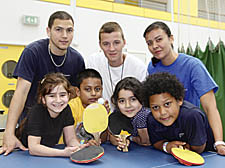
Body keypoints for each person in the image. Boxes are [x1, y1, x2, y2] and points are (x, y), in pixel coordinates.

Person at [1, 11, 85, 155]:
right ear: (48, 31)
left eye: (69, 30)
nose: (64, 35)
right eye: (58, 29)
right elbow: (20, 93)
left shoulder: (77, 59)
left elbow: (76, 95)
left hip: (57, 122)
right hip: (31, 119)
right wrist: (9, 133)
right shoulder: (32, 52)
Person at [143, 21, 225, 155]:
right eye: (149, 43)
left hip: (193, 133)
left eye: (159, 40)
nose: (154, 46)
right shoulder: (152, 68)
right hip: (171, 135)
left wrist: (219, 142)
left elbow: (210, 107)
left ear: (171, 38)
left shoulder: (193, 65)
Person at [142, 72, 218, 154]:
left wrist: (180, 148)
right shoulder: (151, 118)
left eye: (167, 104)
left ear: (179, 100)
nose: (162, 112)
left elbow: (198, 148)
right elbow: (156, 142)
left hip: (207, 155)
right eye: (155, 107)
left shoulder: (192, 116)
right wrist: (167, 146)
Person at [13, 73, 87, 157]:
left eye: (62, 95)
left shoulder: (66, 109)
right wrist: (63, 153)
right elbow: (33, 148)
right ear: (43, 99)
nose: (58, 100)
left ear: (68, 96)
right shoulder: (37, 112)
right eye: (52, 96)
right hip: (24, 155)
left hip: (49, 152)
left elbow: (70, 139)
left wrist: (78, 147)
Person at [86, 22, 147, 110]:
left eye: (116, 43)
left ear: (124, 42)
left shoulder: (138, 67)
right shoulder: (94, 62)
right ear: (100, 45)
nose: (112, 48)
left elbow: (143, 102)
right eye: (106, 44)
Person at [66, 68, 109, 146]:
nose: (93, 93)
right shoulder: (70, 108)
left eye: (97, 89)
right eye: (88, 89)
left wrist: (103, 117)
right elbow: (68, 140)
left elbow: (103, 139)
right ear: (78, 91)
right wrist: (85, 143)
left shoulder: (103, 108)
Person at [109, 77, 150, 151]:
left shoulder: (142, 115)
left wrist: (129, 138)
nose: (127, 105)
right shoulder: (118, 114)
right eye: (122, 101)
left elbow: (145, 142)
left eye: (133, 99)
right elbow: (112, 138)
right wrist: (120, 141)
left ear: (141, 98)